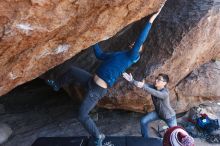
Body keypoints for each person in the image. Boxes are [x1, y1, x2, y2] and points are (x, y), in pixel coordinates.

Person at [46, 4, 165, 146]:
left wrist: (151, 19)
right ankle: (56, 85)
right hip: (90, 80)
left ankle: (98, 136)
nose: (135, 44)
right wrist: (93, 40)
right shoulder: (119, 54)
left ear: (138, 52)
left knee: (82, 115)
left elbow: (140, 39)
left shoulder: (132, 57)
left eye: (138, 46)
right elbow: (100, 55)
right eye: (135, 44)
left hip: (97, 90)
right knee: (71, 70)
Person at [123, 72, 177, 138]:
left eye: (159, 79)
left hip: (169, 117)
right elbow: (142, 85)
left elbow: (154, 92)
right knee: (143, 121)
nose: (156, 80)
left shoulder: (165, 93)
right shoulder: (154, 87)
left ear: (164, 83)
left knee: (174, 134)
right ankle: (145, 139)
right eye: (156, 78)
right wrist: (132, 80)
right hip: (158, 113)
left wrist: (143, 86)